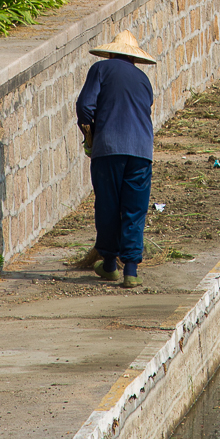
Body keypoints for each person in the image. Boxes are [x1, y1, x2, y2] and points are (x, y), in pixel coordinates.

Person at [69, 30, 157, 288]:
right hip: (141, 151)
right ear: (134, 58)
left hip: (108, 149)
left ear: (110, 52)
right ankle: (130, 270)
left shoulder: (100, 70)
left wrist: (89, 131)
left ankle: (109, 265)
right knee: (134, 208)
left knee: (108, 205)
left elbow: (85, 106)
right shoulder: (143, 79)